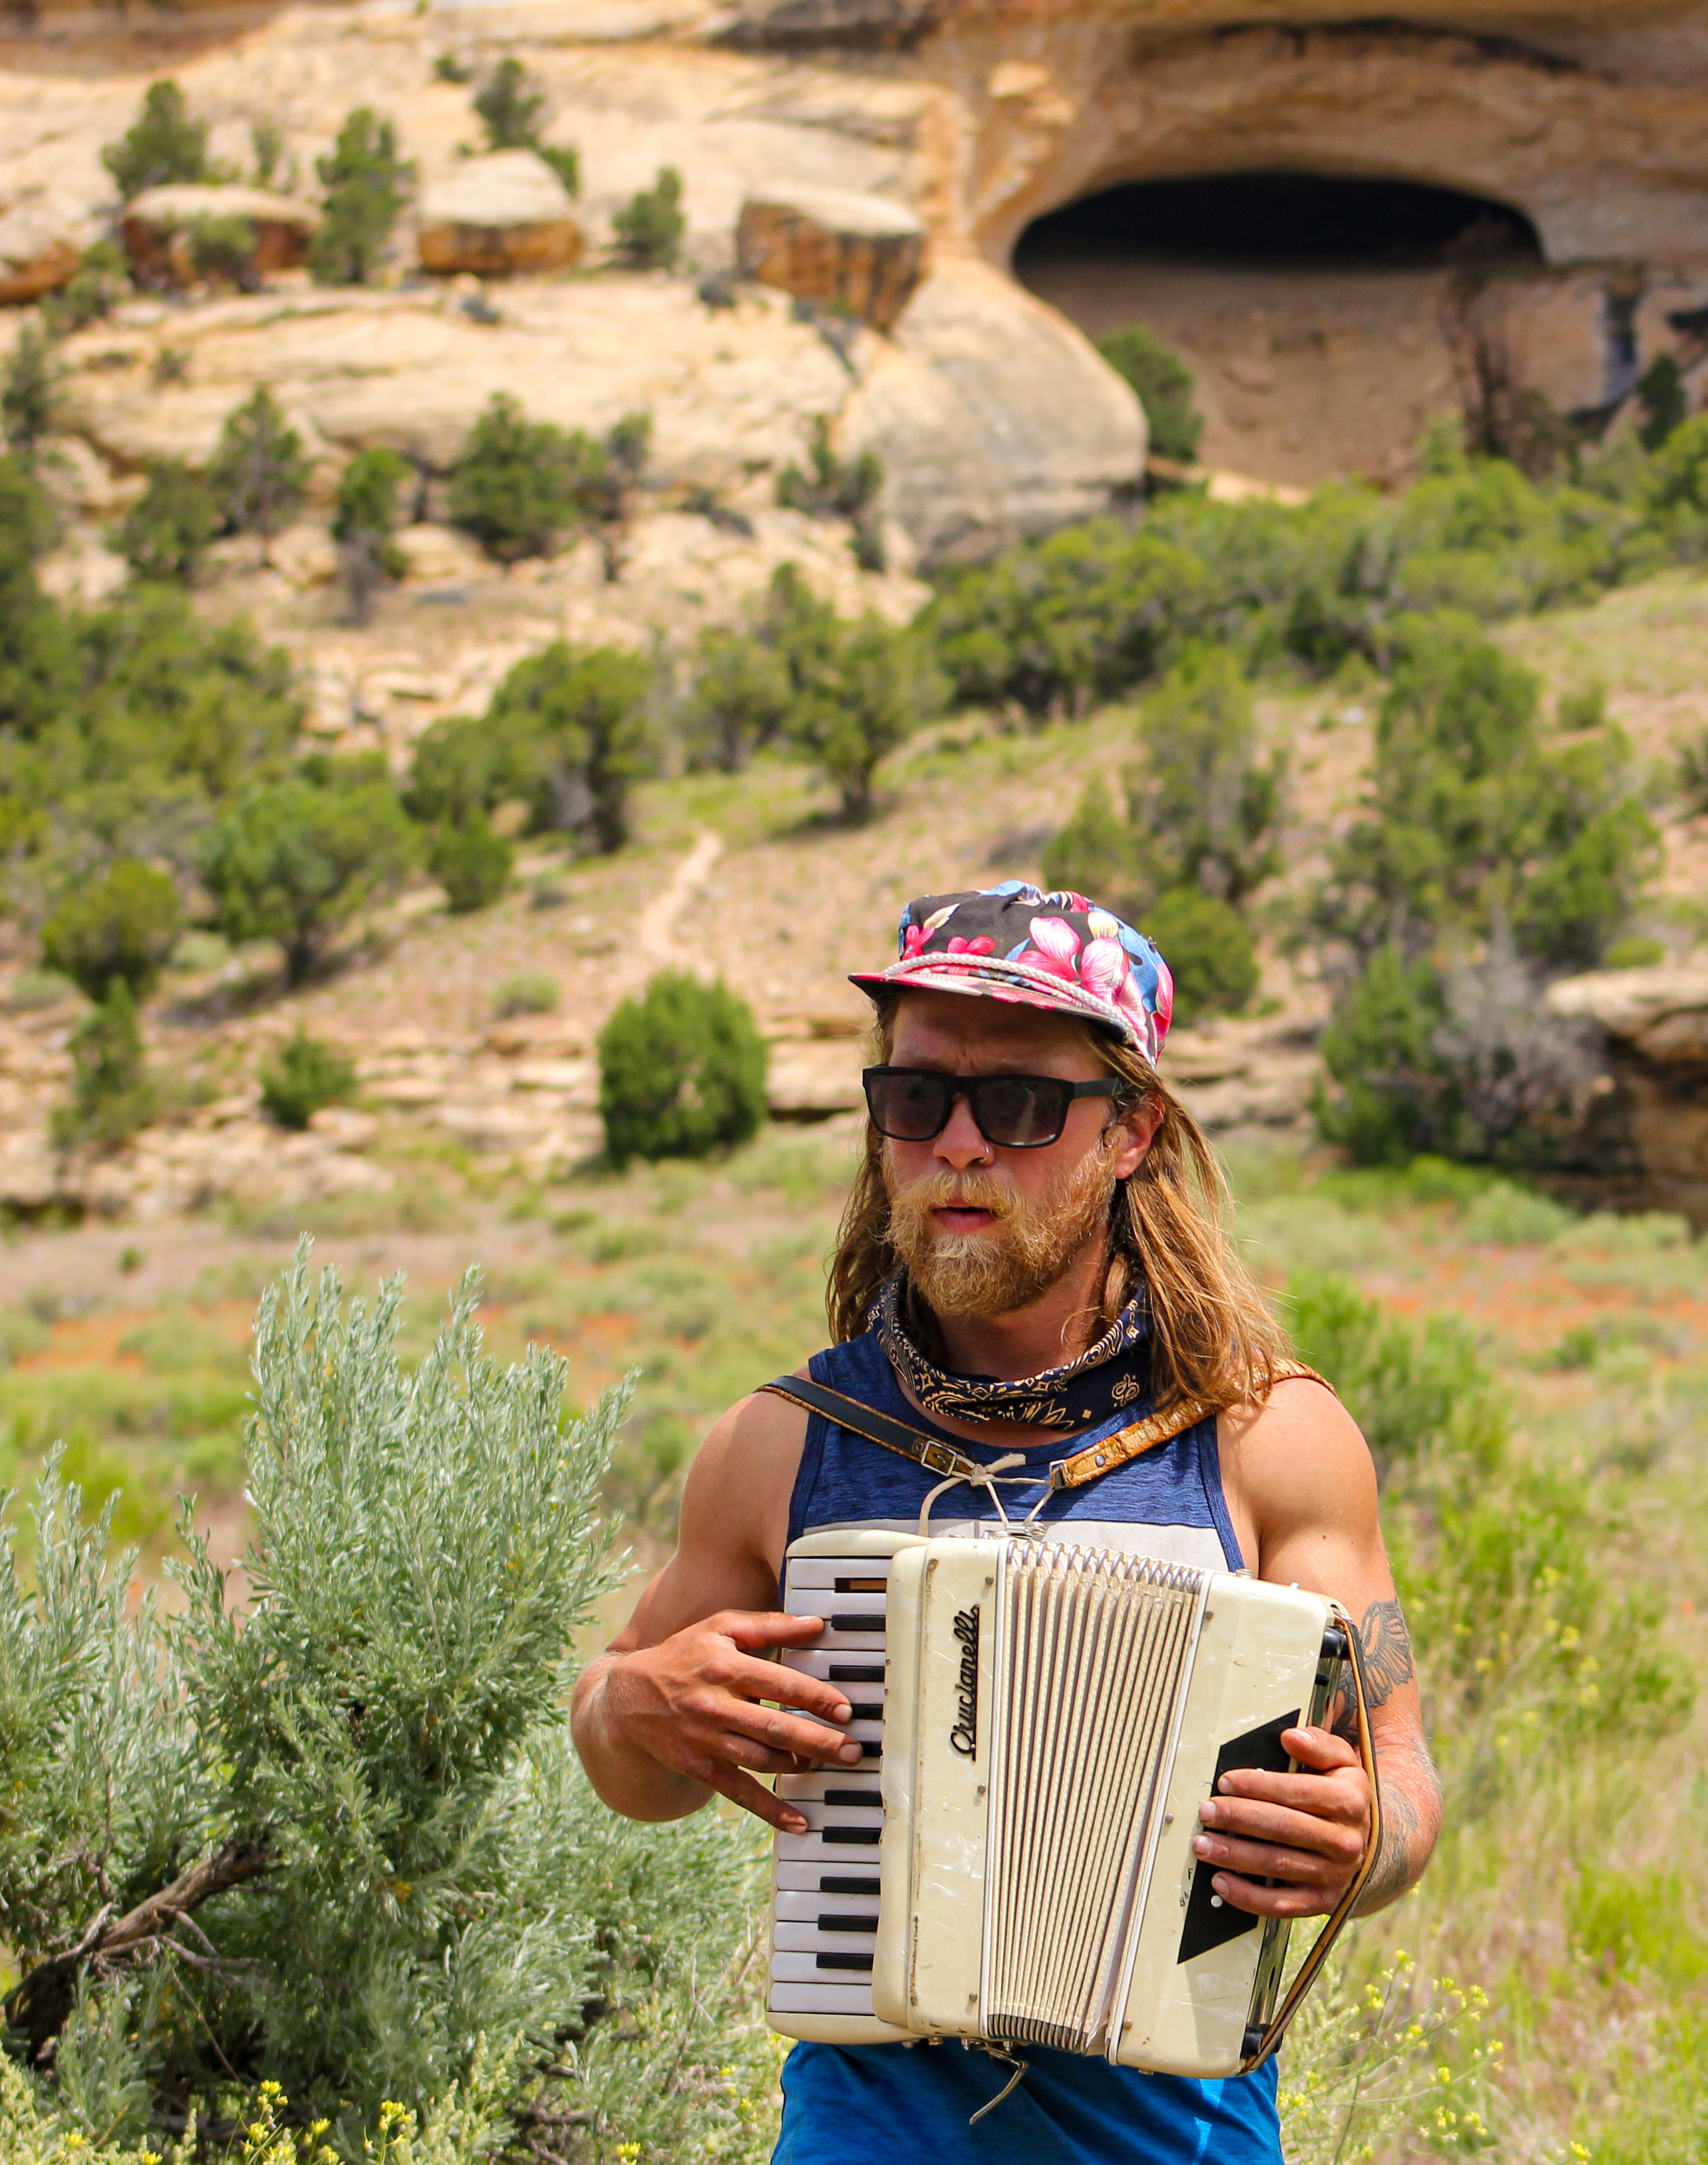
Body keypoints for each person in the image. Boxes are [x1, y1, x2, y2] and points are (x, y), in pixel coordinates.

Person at [569, 885, 1444, 2164]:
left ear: (1133, 1128)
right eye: (916, 1101)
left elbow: (1406, 1785)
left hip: (1180, 2136)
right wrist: (629, 1705)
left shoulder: (1272, 1439)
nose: (959, 1146)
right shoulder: (783, 1444)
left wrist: (1362, 1840)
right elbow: (625, 1757)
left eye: (1022, 1106)